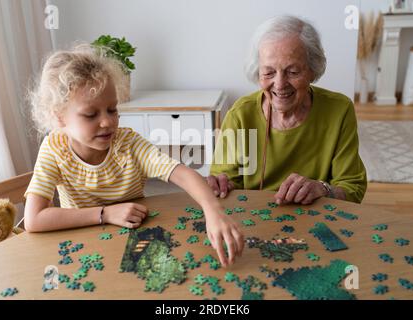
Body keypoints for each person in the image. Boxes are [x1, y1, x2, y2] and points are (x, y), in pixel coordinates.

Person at [24, 44, 243, 266]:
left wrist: (214, 212)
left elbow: (182, 174)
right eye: (91, 114)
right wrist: (105, 214)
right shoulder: (54, 149)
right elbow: (34, 219)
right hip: (82, 248)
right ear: (59, 118)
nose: (107, 122)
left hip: (138, 240)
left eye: (112, 109)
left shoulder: (129, 143)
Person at [208, 15, 367, 204]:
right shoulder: (240, 115)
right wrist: (221, 185)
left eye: (292, 72)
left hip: (318, 219)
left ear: (312, 70)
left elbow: (352, 188)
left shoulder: (339, 110)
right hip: (255, 223)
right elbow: (226, 184)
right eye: (269, 72)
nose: (280, 84)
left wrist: (323, 189)